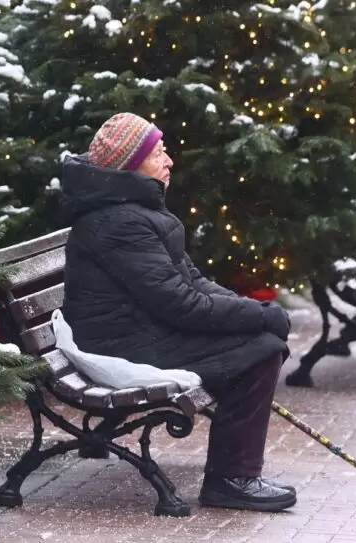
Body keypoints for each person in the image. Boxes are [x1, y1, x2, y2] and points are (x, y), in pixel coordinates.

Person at [60, 112, 296, 512]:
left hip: (137, 329)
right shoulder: (120, 221)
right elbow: (179, 304)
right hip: (120, 343)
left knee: (260, 340)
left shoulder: (132, 208)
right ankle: (231, 479)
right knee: (262, 350)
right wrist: (259, 318)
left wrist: (254, 310)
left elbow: (193, 281)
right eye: (158, 154)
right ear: (130, 165)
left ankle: (234, 472)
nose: (169, 161)